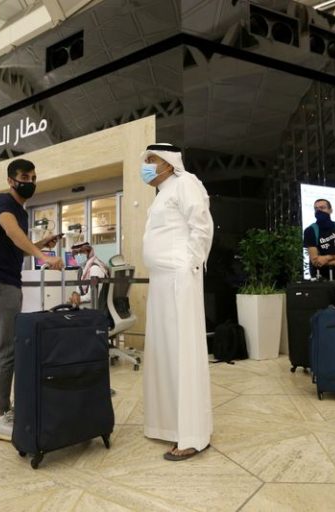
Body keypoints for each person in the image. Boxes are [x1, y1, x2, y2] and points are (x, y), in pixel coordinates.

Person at [0, 158, 63, 441]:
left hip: (5, 283)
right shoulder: (4, 203)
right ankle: (0, 415)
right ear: (11, 180)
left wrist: (39, 245)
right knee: (7, 350)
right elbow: (12, 232)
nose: (30, 182)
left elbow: (16, 245)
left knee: (0, 347)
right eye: (25, 177)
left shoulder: (20, 211)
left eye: (34, 178)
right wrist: (43, 257)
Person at [141, 143, 214, 461]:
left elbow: (202, 225)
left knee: (183, 352)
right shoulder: (163, 192)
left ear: (169, 163)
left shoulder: (186, 182)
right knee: (164, 352)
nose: (146, 165)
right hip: (161, 280)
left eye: (151, 160)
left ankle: (192, 435)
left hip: (179, 278)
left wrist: (190, 264)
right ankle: (168, 425)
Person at [303, 198, 335, 280]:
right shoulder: (310, 230)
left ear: (330, 210)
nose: (319, 211)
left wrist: (328, 258)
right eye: (316, 209)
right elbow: (316, 261)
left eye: (322, 208)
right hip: (320, 276)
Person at [68, 242, 109, 308]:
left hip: (98, 307)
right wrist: (75, 294)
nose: (78, 255)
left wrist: (79, 299)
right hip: (87, 306)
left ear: (89, 252)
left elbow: (93, 295)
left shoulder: (95, 268)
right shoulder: (81, 270)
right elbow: (78, 290)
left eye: (81, 252)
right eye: (76, 253)